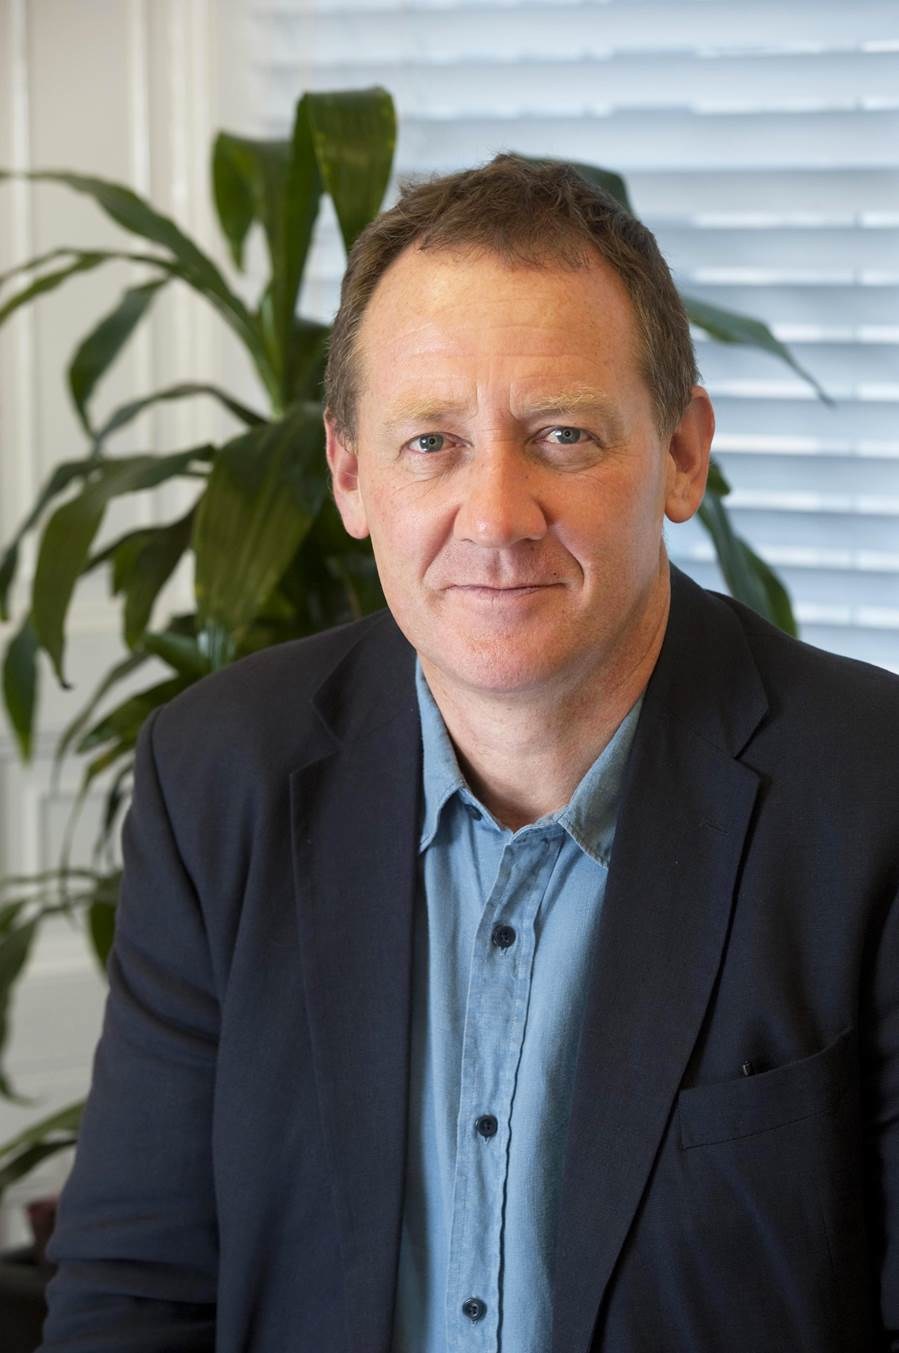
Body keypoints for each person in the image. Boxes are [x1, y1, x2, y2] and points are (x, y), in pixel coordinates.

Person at [39, 155, 898, 1353]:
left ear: (681, 455)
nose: (494, 517)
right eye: (431, 442)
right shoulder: (218, 777)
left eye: (561, 435)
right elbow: (134, 1296)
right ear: (350, 474)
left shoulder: (870, 798)